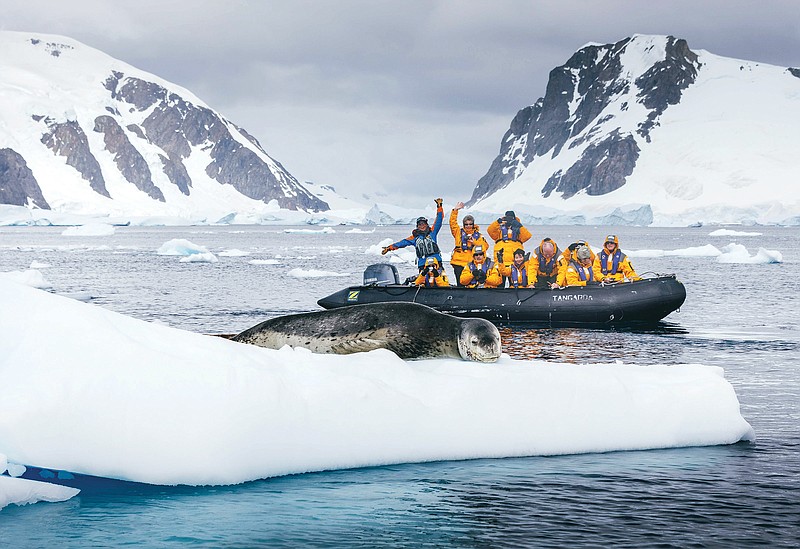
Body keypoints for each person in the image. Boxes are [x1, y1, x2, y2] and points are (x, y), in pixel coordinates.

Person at [382, 198, 445, 271]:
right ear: (417, 226)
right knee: (423, 280)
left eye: (423, 224)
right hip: (423, 263)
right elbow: (402, 243)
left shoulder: (432, 232)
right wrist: (389, 248)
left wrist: (439, 206)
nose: (422, 226)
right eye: (420, 224)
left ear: (427, 224)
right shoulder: (414, 238)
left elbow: (439, 220)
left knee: (440, 279)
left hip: (436, 261)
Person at [449, 201, 490, 286]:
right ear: (464, 225)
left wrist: (474, 242)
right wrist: (455, 210)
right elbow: (452, 223)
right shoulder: (458, 233)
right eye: (466, 224)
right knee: (460, 284)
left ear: (473, 224)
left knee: (472, 285)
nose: (468, 226)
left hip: (471, 264)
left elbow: (485, 246)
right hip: (458, 263)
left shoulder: (478, 235)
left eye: (470, 224)